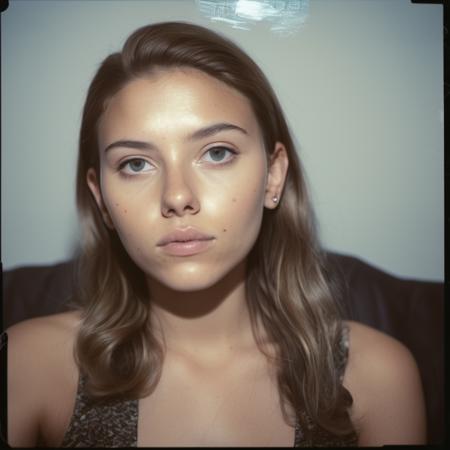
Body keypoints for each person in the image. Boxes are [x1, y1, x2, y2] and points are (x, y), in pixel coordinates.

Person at [6, 22, 426, 447]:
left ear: (273, 176)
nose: (177, 196)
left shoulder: (378, 376)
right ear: (101, 199)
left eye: (217, 153)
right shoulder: (27, 365)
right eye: (135, 164)